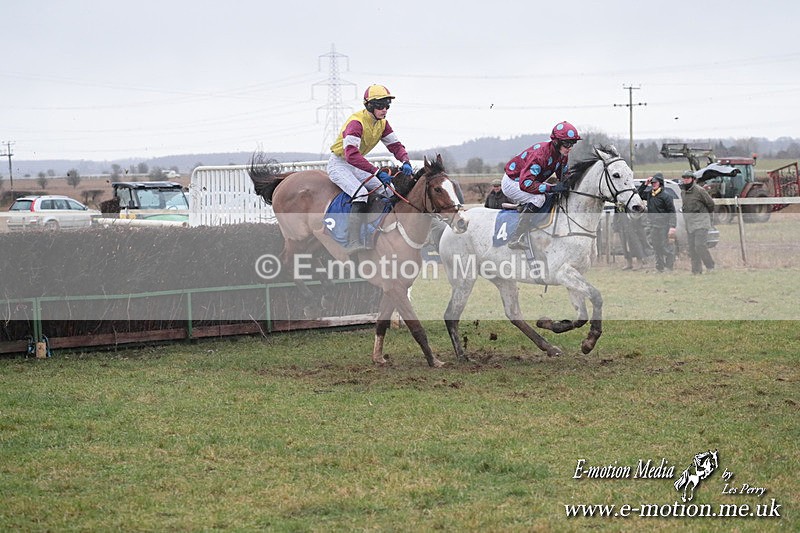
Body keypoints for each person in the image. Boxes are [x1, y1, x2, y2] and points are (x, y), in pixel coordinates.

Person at [327, 84, 414, 254]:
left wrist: (405, 160)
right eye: (381, 106)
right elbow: (351, 155)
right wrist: (377, 172)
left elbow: (395, 146)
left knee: (388, 191)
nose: (385, 110)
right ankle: (352, 241)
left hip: (357, 164)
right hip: (340, 163)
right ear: (370, 106)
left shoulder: (382, 124)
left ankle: (385, 232)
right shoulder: (356, 123)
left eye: (387, 106)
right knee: (360, 195)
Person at [502, 121, 580, 249]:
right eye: (567, 143)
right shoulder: (540, 155)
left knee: (551, 194)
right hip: (513, 182)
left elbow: (564, 177)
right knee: (539, 198)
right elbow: (526, 184)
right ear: (556, 142)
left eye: (573, 143)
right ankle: (516, 237)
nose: (570, 147)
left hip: (528, 181)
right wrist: (552, 187)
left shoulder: (562, 155)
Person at [680, 170, 716, 274]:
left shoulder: (700, 191)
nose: (686, 180)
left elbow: (710, 204)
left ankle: (710, 266)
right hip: (690, 224)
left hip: (701, 222)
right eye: (684, 178)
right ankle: (696, 271)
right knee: (692, 248)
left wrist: (704, 215)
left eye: (688, 178)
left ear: (693, 179)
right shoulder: (683, 192)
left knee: (699, 245)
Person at [638, 173, 676, 272]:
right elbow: (639, 194)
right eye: (652, 183)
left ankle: (669, 267)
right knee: (656, 247)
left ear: (660, 183)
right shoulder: (650, 194)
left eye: (655, 182)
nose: (653, 184)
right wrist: (645, 184)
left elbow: (672, 211)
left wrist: (672, 226)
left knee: (665, 247)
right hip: (653, 225)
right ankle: (660, 268)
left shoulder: (666, 196)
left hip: (664, 225)